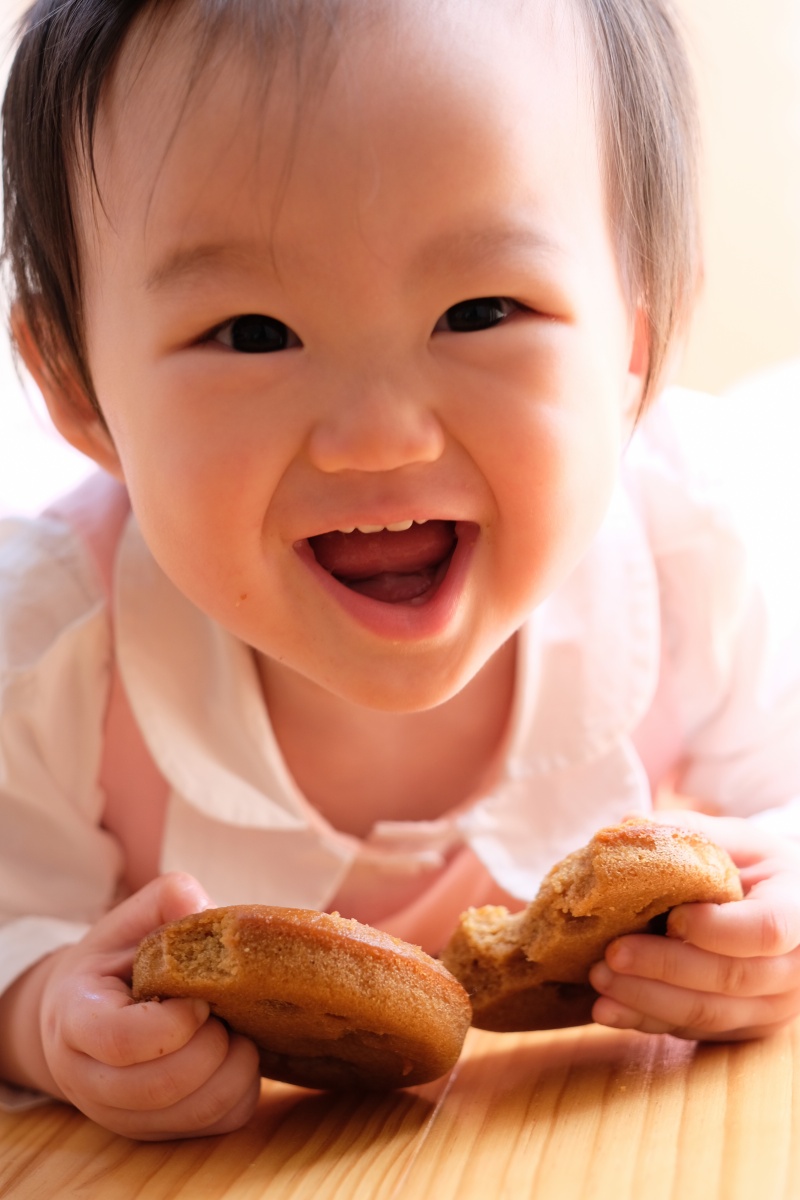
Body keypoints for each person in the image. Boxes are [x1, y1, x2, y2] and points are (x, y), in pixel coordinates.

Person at [0, 0, 799, 1141]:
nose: (377, 437)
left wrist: (778, 923)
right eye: (252, 333)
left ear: (630, 344)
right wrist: (43, 1015)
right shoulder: (49, 655)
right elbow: (8, 925)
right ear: (79, 387)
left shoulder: (697, 550)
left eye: (479, 310)